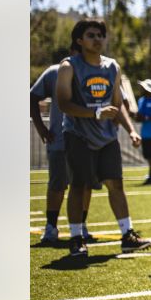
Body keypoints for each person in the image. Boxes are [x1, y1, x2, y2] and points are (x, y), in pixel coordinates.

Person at [56, 18, 151, 257]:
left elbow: (117, 105)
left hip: (107, 136)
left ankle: (127, 235)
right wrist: (95, 112)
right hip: (78, 134)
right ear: (79, 40)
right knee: (79, 185)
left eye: (100, 35)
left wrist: (130, 130)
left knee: (116, 184)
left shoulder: (112, 67)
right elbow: (63, 103)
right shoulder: (69, 66)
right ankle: (77, 237)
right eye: (91, 35)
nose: (97, 39)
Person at [30, 47, 95, 243]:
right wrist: (40, 127)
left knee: (84, 185)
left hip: (88, 141)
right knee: (57, 184)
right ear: (76, 47)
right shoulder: (54, 72)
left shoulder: (98, 71)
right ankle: (51, 227)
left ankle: (81, 226)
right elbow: (32, 97)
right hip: (60, 139)